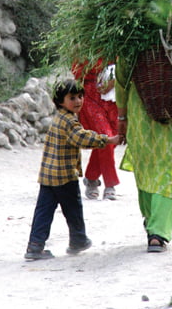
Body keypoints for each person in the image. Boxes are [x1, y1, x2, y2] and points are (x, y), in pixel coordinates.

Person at [24, 78, 121, 260]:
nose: (78, 101)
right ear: (61, 101)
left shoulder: (59, 117)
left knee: (43, 211)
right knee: (73, 209)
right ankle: (78, 240)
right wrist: (106, 140)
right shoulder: (69, 121)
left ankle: (35, 246)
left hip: (47, 175)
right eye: (72, 98)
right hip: (64, 176)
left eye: (80, 97)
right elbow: (81, 138)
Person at [115, 52, 172, 253]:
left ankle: (151, 220)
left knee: (146, 166)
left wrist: (122, 117)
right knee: (171, 169)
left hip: (140, 113)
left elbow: (121, 82)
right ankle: (158, 232)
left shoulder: (131, 46)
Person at [72, 60, 120, 200]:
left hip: (114, 97)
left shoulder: (117, 43)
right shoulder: (83, 45)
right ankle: (110, 184)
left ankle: (91, 177)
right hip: (91, 95)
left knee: (115, 138)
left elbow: (126, 65)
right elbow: (76, 69)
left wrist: (114, 81)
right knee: (106, 137)